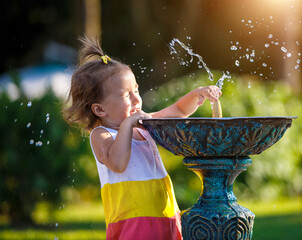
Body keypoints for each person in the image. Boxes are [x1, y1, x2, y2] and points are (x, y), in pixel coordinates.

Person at [63, 36, 221, 240]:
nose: (137, 99)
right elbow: (118, 163)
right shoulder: (102, 135)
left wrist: (198, 95)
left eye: (136, 90)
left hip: (166, 216)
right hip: (133, 224)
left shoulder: (144, 124)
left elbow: (178, 110)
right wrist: (128, 124)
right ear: (99, 109)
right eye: (125, 95)